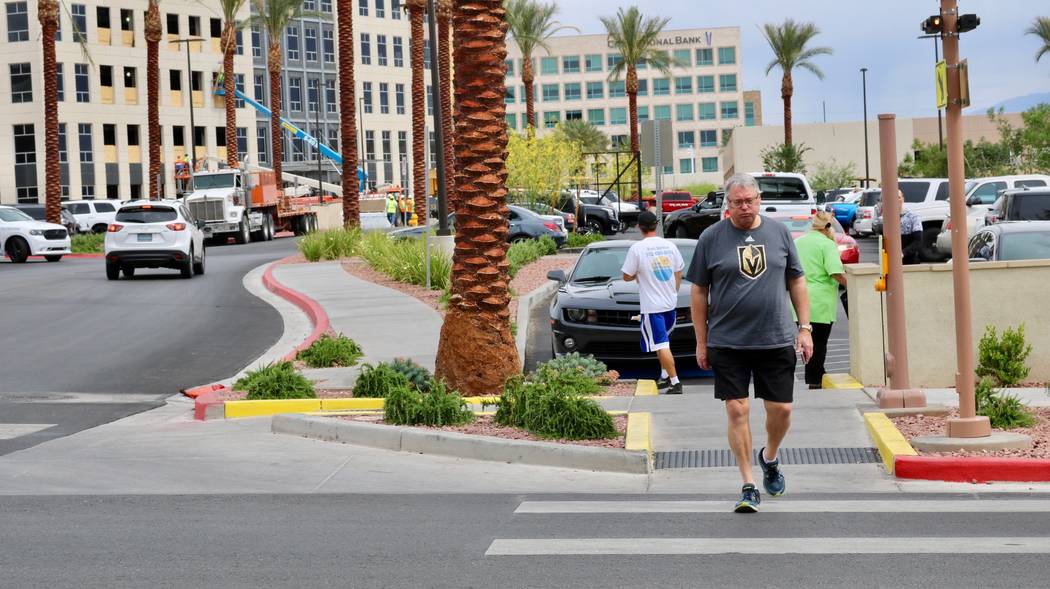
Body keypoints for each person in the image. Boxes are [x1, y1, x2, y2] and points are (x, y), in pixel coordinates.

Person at [687, 173, 813, 513]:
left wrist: (805, 328)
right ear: (727, 205)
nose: (744, 207)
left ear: (759, 199)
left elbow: (797, 281)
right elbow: (698, 292)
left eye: (750, 200)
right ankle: (748, 484)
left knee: (782, 410)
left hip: (775, 337)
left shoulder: (779, 232)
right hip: (728, 340)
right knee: (736, 409)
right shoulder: (711, 238)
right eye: (737, 202)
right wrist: (702, 341)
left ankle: (769, 457)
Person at [622, 211, 686, 395]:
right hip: (670, 304)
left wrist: (638, 274)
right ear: (656, 224)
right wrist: (673, 291)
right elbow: (678, 271)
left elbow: (626, 276)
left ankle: (675, 382)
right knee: (663, 343)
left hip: (652, 307)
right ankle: (665, 376)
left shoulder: (637, 249)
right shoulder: (670, 246)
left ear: (639, 227)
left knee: (661, 344)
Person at [794, 211, 847, 389]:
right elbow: (835, 272)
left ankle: (817, 374)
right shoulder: (827, 244)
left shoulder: (798, 242)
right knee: (820, 342)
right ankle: (815, 378)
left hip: (799, 299)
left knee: (807, 339)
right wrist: (851, 286)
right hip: (820, 299)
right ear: (829, 228)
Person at [897, 190, 924, 265]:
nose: (896, 200)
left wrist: (903, 253)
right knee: (882, 276)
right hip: (890, 260)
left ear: (903, 199)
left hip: (909, 260)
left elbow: (918, 241)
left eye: (898, 197)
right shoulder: (887, 218)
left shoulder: (913, 217)